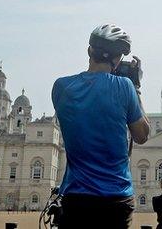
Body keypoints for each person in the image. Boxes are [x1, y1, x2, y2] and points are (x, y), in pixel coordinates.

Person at [52, 24, 150, 229]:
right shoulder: (125, 87)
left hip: (76, 197)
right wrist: (136, 86)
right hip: (116, 197)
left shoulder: (61, 87)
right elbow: (141, 135)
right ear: (117, 59)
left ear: (89, 51)